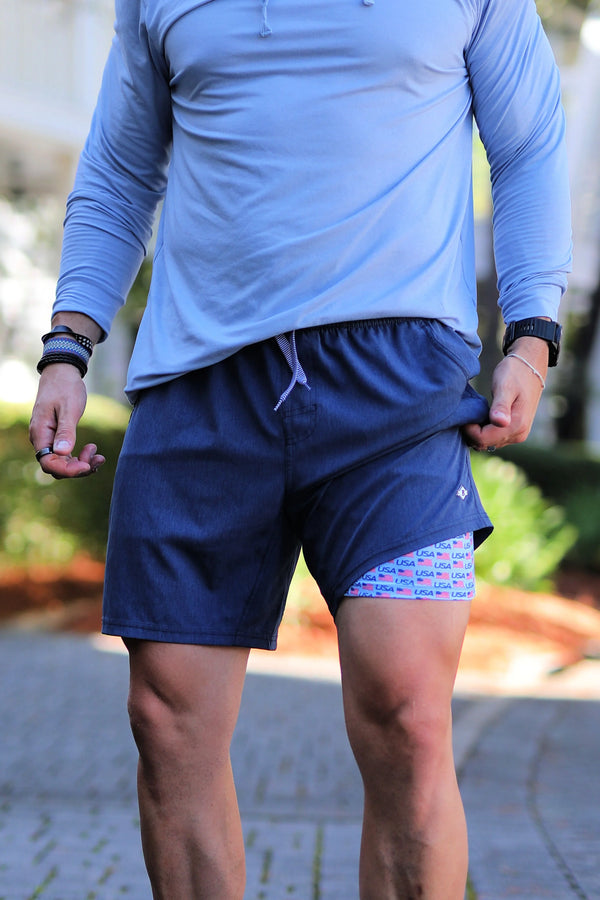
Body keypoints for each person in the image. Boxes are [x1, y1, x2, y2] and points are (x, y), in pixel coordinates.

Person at [29, 0, 571, 896]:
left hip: (397, 385)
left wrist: (532, 337)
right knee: (168, 721)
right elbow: (121, 170)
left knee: (407, 715)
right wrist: (67, 347)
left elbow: (528, 146)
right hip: (199, 387)